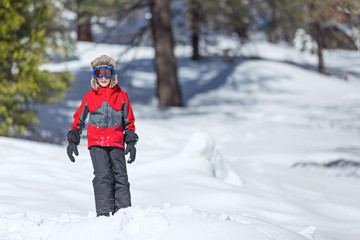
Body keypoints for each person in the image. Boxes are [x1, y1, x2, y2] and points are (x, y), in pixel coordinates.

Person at [66, 55, 138, 217]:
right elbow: (79, 119)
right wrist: (73, 137)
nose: (104, 78)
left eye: (108, 73)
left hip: (116, 141)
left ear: (113, 75)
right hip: (96, 143)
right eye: (100, 74)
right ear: (95, 76)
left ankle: (123, 211)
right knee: (103, 175)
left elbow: (129, 120)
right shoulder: (90, 97)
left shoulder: (121, 96)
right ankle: (104, 211)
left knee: (120, 176)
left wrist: (131, 142)